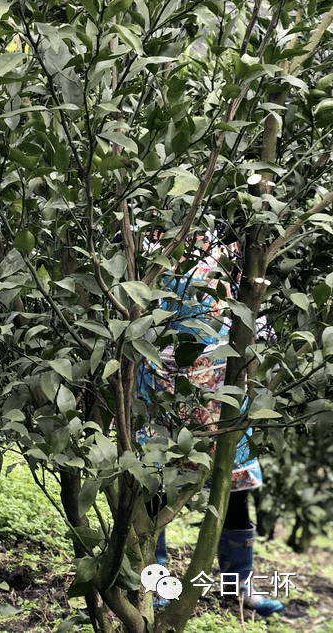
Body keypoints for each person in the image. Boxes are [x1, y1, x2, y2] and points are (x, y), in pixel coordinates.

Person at [139, 231, 283, 616]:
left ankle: (239, 588)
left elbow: (251, 306)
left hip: (222, 379)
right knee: (153, 484)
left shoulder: (233, 239)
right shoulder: (145, 238)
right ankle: (154, 584)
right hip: (160, 377)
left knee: (233, 487)